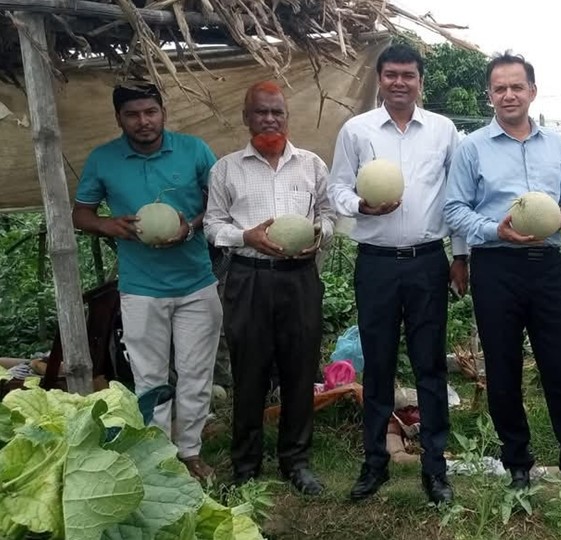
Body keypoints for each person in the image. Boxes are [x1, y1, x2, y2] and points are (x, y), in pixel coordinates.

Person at [444, 51, 561, 505]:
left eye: (517, 86)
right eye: (500, 88)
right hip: (497, 267)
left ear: (532, 92)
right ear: (490, 95)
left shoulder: (554, 145)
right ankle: (518, 464)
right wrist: (493, 230)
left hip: (547, 266)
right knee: (502, 370)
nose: (509, 95)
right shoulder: (472, 147)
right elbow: (454, 209)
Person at [327, 43, 467, 506]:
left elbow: (457, 197)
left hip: (428, 260)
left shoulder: (444, 131)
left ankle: (435, 467)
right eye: (391, 75)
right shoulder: (356, 130)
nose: (400, 82)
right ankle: (374, 464)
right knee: (379, 363)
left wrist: (459, 255)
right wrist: (359, 205)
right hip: (377, 263)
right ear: (380, 79)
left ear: (420, 80)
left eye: (408, 74)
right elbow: (336, 189)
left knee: (429, 364)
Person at [72, 82, 222, 482]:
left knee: (195, 373)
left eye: (150, 112)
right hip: (140, 287)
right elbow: (81, 214)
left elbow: (220, 202)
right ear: (119, 118)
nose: (143, 121)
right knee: (150, 378)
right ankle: (158, 458)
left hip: (197, 283)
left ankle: (189, 452)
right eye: (133, 114)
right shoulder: (104, 159)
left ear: (163, 112)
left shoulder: (193, 150)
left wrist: (190, 227)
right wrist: (109, 225)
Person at [204, 80, 334, 495]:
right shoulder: (226, 168)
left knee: (300, 370)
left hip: (299, 278)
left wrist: (319, 234)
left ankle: (296, 461)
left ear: (286, 116)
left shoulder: (311, 165)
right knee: (250, 371)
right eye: (261, 112)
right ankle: (246, 465)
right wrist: (247, 237)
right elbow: (212, 225)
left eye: (277, 111)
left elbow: (329, 214)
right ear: (246, 118)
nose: (270, 119)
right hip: (248, 277)